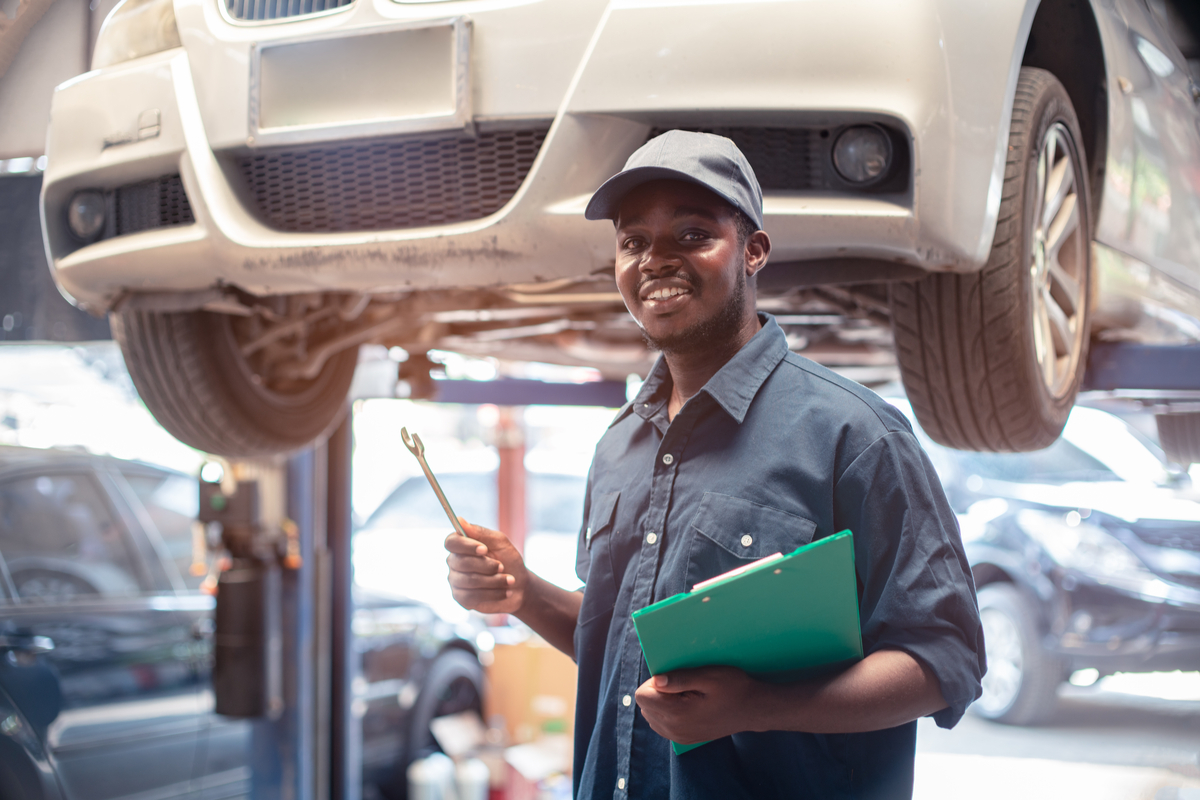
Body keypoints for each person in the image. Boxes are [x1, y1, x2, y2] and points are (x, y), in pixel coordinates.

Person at [444, 130, 985, 799]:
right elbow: (621, 648)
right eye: (633, 241)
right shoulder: (619, 445)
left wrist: (759, 706)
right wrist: (525, 593)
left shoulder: (856, 435)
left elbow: (947, 660)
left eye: (693, 235)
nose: (654, 260)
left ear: (754, 251)